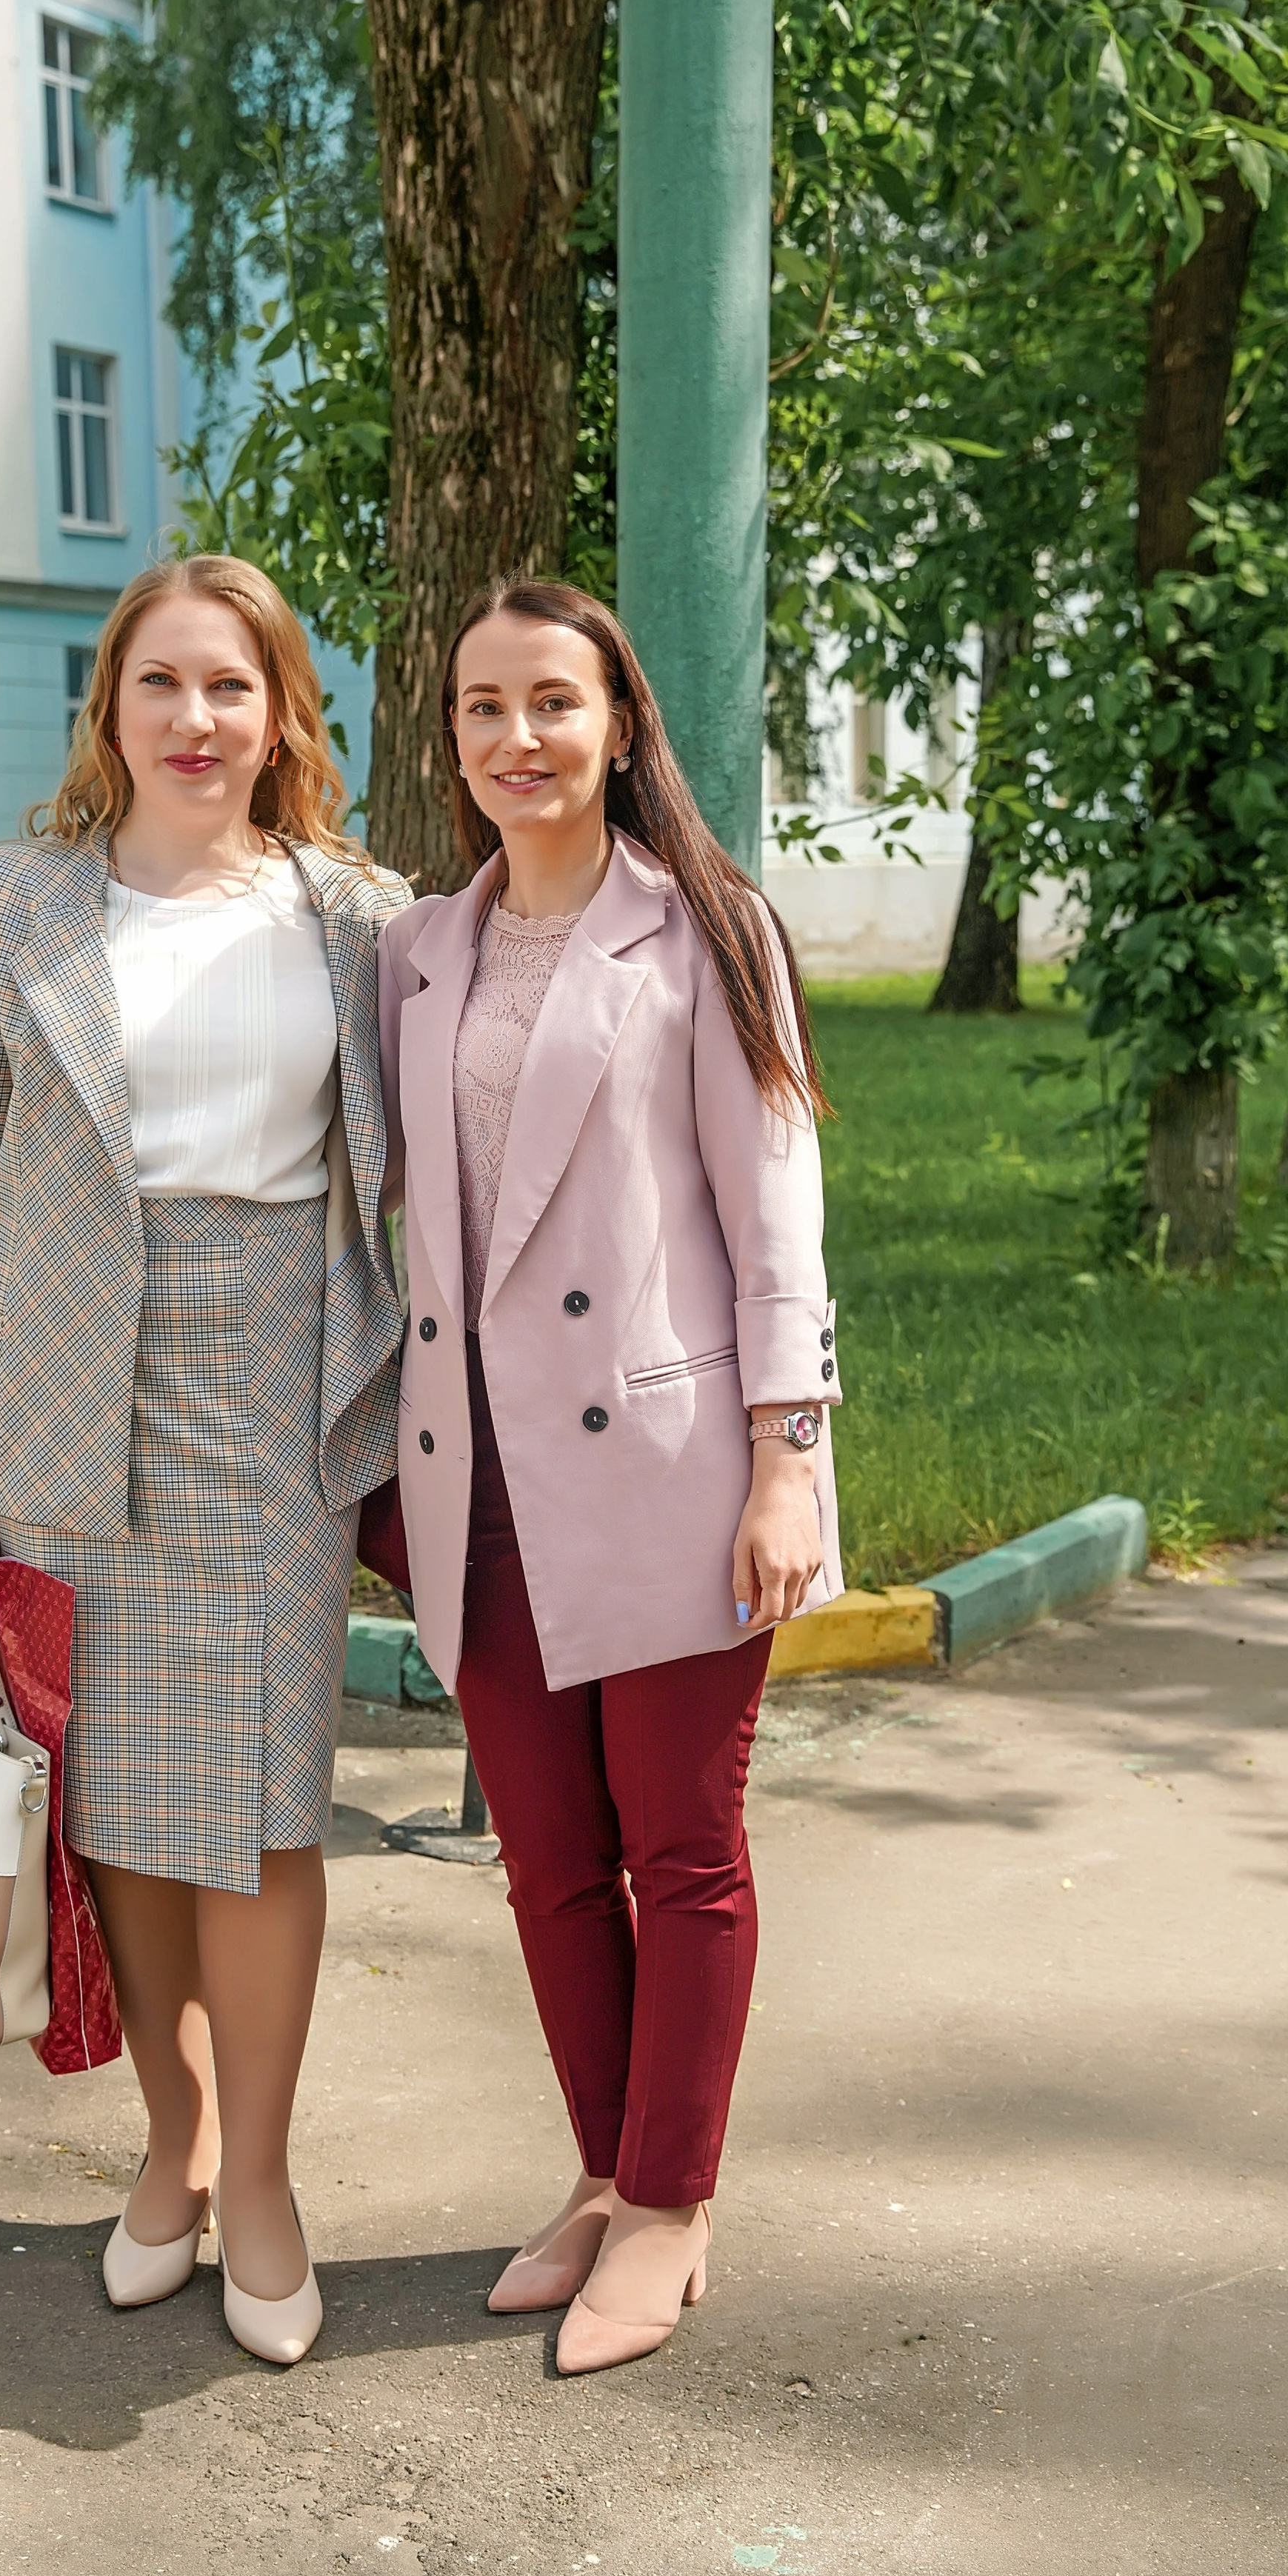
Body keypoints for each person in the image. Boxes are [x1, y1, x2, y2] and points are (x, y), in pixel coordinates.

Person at [0, 555, 408, 2367]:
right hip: (57, 1387)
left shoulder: (361, 916)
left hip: (275, 1387)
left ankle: (260, 2179)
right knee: (117, 1802)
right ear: (108, 713)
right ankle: (170, 2143)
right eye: (161, 686)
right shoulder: (14, 899)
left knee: (263, 1806)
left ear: (281, 715)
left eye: (232, 687)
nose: (196, 720)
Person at [378, 576, 842, 2377]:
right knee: (548, 1864)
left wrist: (783, 1460)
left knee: (680, 1848)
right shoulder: (417, 949)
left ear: (620, 723)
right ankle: (600, 2164)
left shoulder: (708, 929)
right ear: (452, 739)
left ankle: (668, 2201)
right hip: (469, 1473)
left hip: (663, 1455)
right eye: (481, 707)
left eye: (552, 703)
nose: (517, 739)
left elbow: (772, 1211)